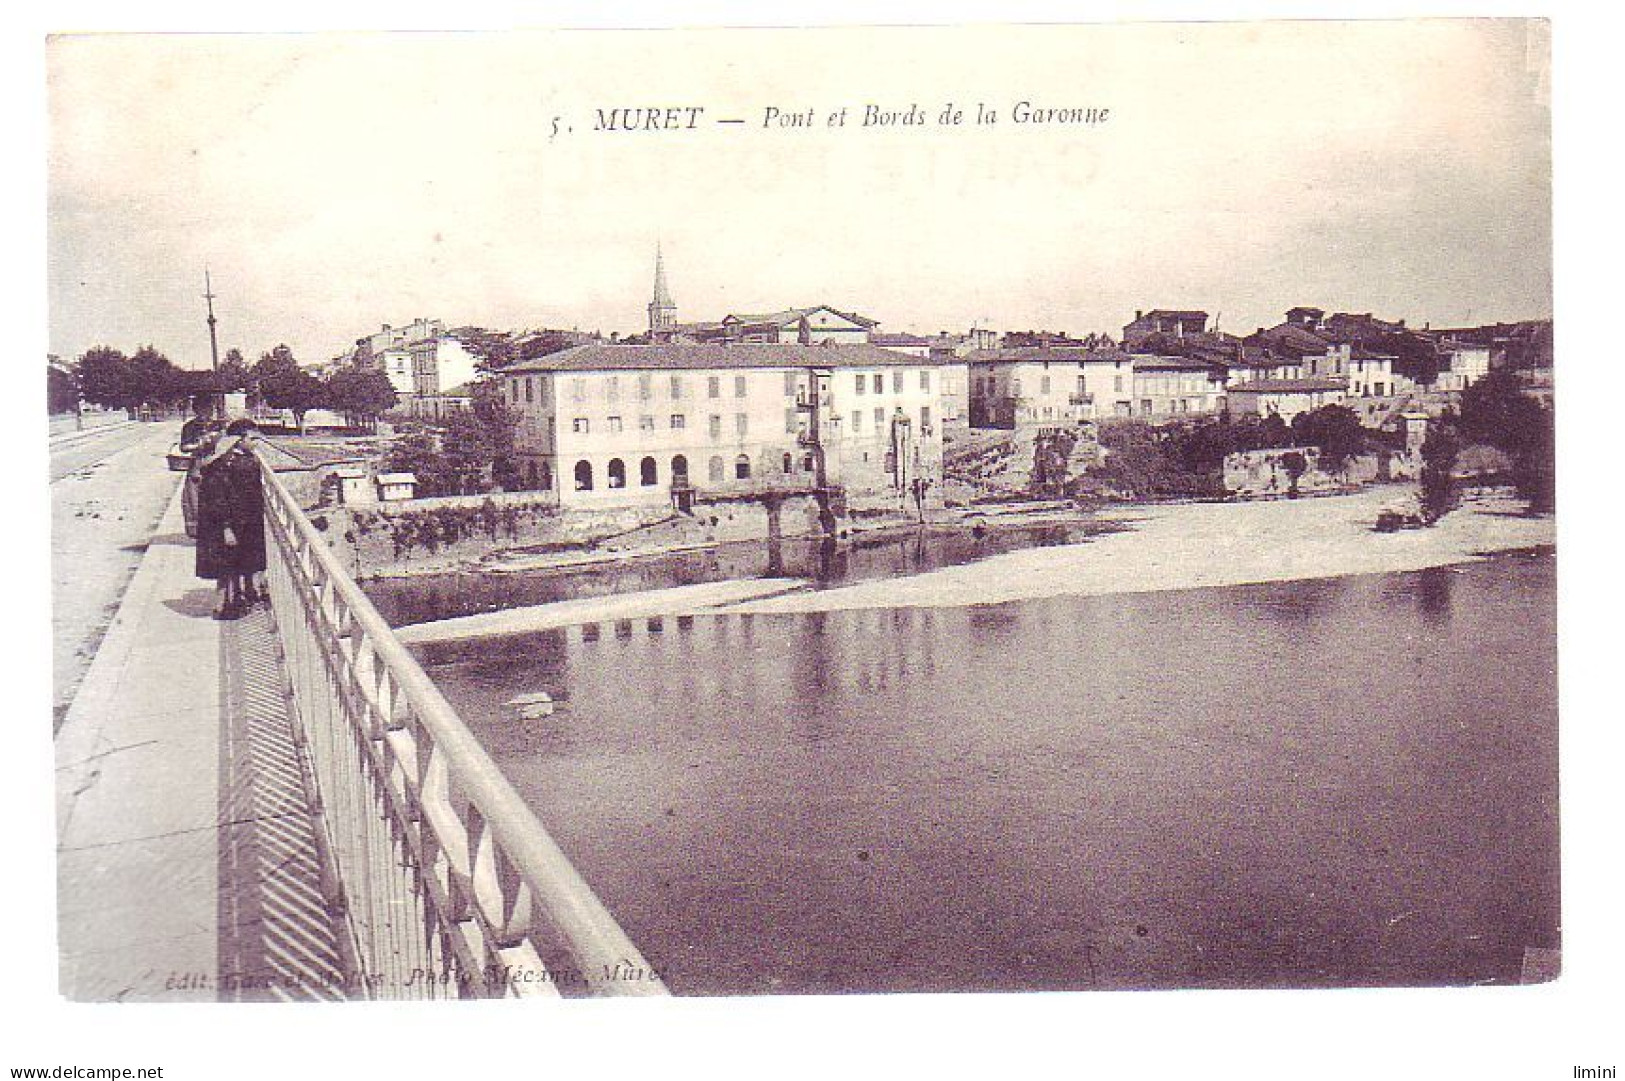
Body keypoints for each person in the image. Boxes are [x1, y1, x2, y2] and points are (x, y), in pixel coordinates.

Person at [193, 420, 267, 618]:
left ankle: (230, 603)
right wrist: (227, 527)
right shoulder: (220, 471)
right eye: (252, 439)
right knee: (227, 568)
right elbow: (220, 501)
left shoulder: (222, 467)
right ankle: (225, 607)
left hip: (235, 521)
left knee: (231, 567)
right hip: (225, 524)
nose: (256, 443)